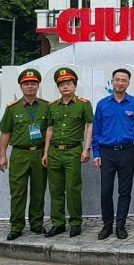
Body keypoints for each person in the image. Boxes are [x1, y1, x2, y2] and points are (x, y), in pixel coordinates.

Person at [0, 68, 50, 241]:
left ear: (38, 86)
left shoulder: (46, 106)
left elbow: (50, 130)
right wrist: (2, 155)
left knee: (38, 190)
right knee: (18, 191)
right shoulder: (12, 108)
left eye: (33, 84)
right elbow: (5, 133)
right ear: (21, 87)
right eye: (26, 84)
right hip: (20, 154)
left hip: (39, 153)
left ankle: (36, 223)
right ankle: (17, 226)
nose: (30, 87)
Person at [91, 68, 134, 240]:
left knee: (124, 191)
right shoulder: (102, 104)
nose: (120, 83)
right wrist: (96, 152)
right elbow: (96, 130)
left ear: (128, 83)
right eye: (117, 79)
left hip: (127, 151)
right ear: (112, 81)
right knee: (106, 190)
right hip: (106, 152)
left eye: (124, 80)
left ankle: (120, 225)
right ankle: (107, 225)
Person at [42, 68, 93, 238]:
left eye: (68, 83)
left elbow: (89, 126)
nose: (65, 87)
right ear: (58, 87)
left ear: (75, 86)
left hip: (73, 151)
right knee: (55, 189)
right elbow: (49, 129)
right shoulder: (52, 106)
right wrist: (46, 152)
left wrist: (86, 149)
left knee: (72, 188)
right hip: (54, 151)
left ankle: (75, 222)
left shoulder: (83, 104)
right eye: (62, 84)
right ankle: (58, 223)